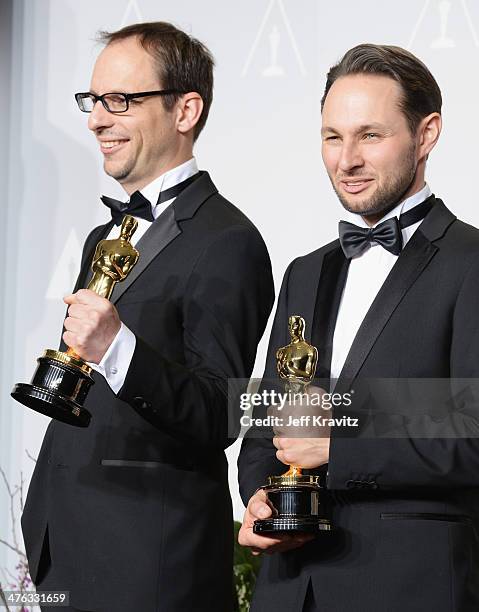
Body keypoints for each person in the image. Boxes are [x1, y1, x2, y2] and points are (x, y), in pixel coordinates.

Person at [21, 21, 274, 612]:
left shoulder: (228, 240)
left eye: (120, 101)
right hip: (67, 550)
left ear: (185, 110)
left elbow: (220, 411)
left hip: (151, 567)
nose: (96, 120)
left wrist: (118, 346)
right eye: (93, 101)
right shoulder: (101, 236)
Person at [238, 44, 479, 612]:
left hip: (409, 589)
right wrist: (259, 497)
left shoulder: (470, 263)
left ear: (427, 135)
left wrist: (341, 447)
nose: (346, 159)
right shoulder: (305, 271)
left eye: (370, 135)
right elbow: (265, 426)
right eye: (331, 136)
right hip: (291, 589)